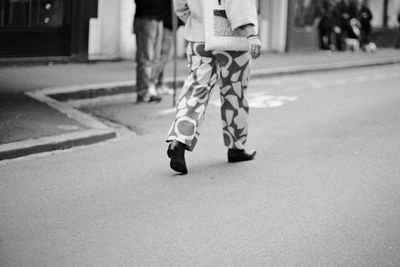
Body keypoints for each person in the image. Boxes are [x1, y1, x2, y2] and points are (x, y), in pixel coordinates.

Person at [166, 0, 262, 174]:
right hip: (231, 39)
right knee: (235, 93)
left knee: (195, 90)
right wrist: (252, 35)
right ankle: (236, 148)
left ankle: (179, 140)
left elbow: (180, 6)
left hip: (198, 39)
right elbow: (239, 4)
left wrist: (199, 21)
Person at [133, 0, 163, 103]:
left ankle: (150, 88)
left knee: (155, 58)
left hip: (158, 18)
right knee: (146, 57)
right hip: (145, 17)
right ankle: (143, 92)